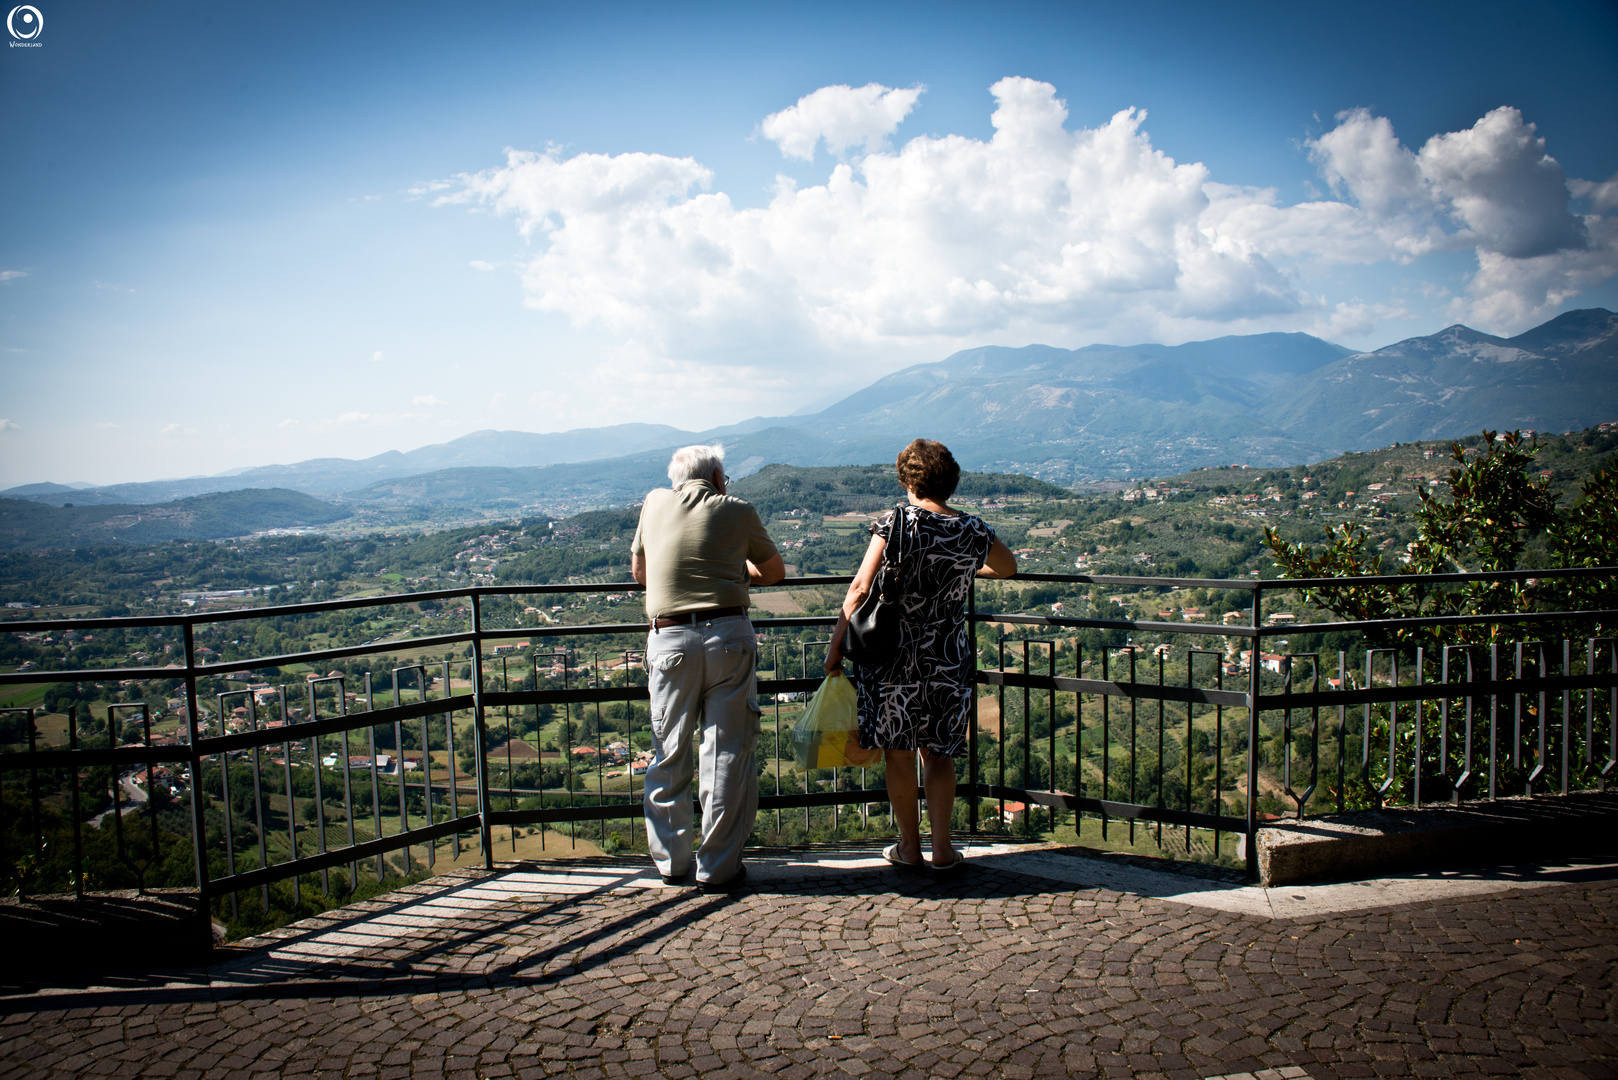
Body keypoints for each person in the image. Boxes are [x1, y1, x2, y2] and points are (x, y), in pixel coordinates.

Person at [825, 439, 1017, 870]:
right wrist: (964, 567)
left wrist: (836, 646)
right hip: (948, 656)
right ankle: (944, 850)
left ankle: (909, 849)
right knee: (940, 752)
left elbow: (859, 588)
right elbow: (1007, 567)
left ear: (909, 480)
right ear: (950, 481)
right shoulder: (974, 530)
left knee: (899, 751)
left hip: (892, 656)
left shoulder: (896, 522)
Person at [631, 443, 785, 893]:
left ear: (677, 479)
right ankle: (717, 868)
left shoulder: (653, 502)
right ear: (717, 478)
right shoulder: (737, 509)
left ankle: (671, 864)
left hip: (669, 639)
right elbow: (774, 571)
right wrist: (736, 574)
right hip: (729, 638)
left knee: (669, 751)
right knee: (725, 754)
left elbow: (641, 572)